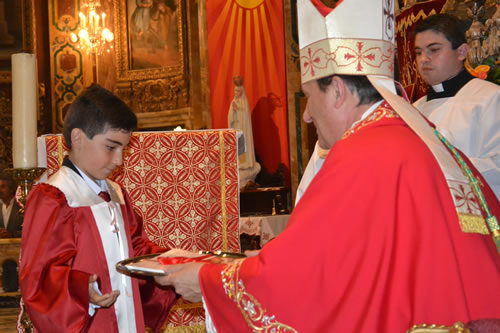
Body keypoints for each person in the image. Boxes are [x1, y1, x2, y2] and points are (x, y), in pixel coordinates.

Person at [154, 0, 500, 331]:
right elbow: (353, 260)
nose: (305, 115)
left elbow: (313, 279)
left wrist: (207, 280)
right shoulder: (413, 137)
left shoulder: (365, 153)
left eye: (308, 96)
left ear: (337, 90)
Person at [19, 84, 177, 332]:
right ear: (78, 138)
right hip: (90, 322)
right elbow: (40, 277)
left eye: (124, 149)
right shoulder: (55, 197)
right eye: (111, 147)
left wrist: (170, 261)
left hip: (127, 319)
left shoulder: (115, 193)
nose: (119, 160)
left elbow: (136, 249)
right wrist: (82, 288)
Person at [413, 13, 500, 199]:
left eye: (433, 50)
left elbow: (497, 166)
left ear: (461, 52)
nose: (424, 59)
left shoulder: (491, 98)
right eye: (419, 52)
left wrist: (438, 168)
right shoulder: (412, 110)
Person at [228, 76, 261, 189]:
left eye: (238, 91)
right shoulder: (233, 102)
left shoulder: (244, 102)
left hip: (243, 131)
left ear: (241, 91)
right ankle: (240, 164)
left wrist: (239, 109)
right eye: (235, 91)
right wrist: (233, 112)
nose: (236, 93)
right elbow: (230, 118)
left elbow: (246, 117)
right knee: (238, 149)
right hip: (236, 131)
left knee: (243, 148)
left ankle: (246, 164)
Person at [0, 172, 22, 237]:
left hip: (17, 245)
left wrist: (12, 235)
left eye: (3, 187)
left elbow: (30, 230)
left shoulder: (21, 206)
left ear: (11, 189)